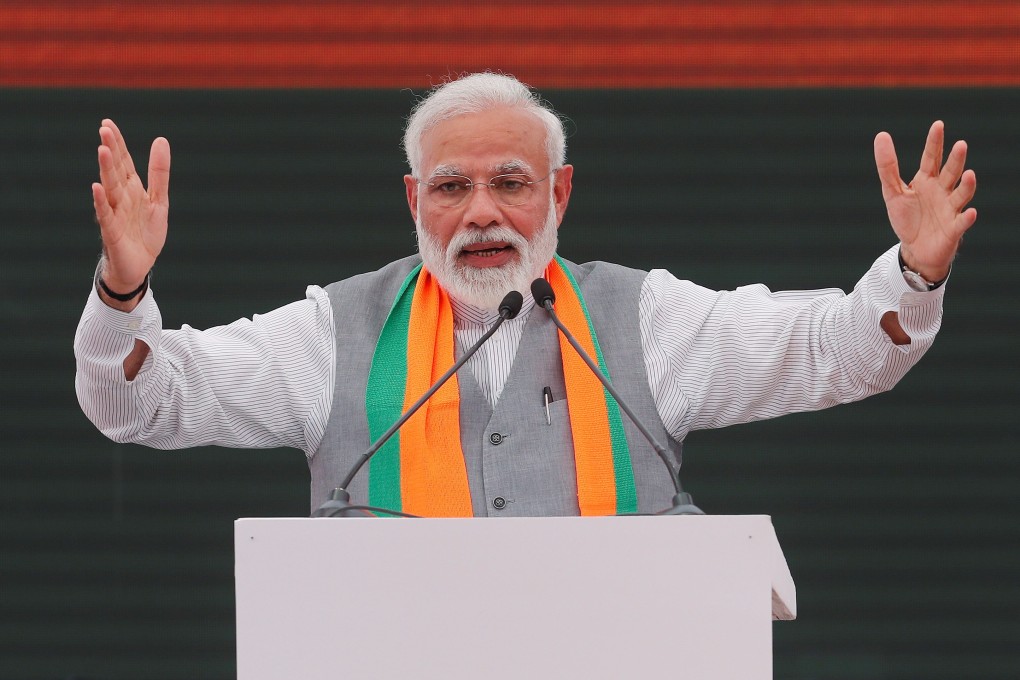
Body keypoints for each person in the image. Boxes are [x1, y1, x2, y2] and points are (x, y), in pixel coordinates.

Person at [75, 72, 977, 517]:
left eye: (511, 182)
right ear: (412, 201)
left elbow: (837, 349)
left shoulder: (643, 320)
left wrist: (915, 273)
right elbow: (142, 401)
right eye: (450, 187)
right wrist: (124, 290)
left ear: (560, 195)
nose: (481, 213)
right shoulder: (333, 333)